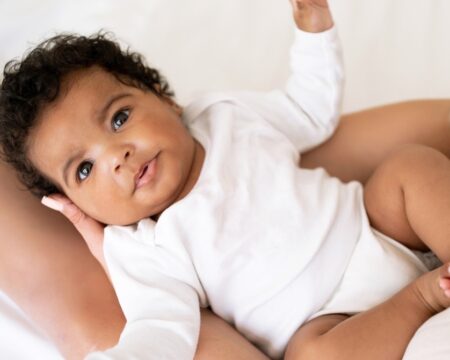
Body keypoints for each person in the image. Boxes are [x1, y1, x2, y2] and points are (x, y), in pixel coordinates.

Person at [0, 1, 450, 359]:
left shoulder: (226, 117)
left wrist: (315, 31)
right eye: (85, 169)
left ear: (165, 98)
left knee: (407, 168)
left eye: (119, 119)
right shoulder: (140, 247)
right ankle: (425, 297)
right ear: (75, 203)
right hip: (331, 320)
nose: (117, 156)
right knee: (313, 356)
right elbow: (161, 327)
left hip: (376, 230)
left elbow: (309, 111)